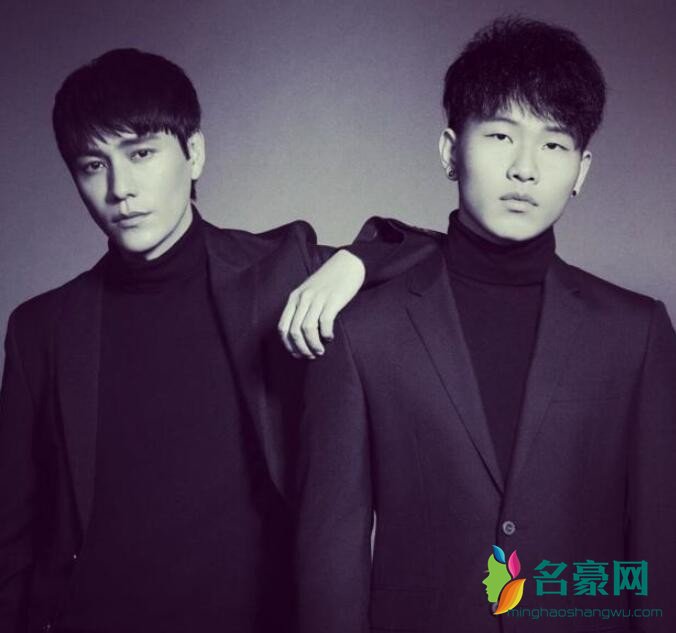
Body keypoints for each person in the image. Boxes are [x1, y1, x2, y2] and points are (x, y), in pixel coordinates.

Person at [0, 48, 431, 633]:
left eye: (141, 153)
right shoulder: (41, 330)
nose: (120, 188)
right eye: (93, 165)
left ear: (194, 153)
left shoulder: (277, 272)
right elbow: (12, 537)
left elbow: (430, 250)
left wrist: (354, 263)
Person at [293, 17, 676, 632]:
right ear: (451, 151)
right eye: (500, 136)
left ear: (581, 170)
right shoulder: (363, 336)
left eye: (554, 145)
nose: (525, 169)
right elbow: (331, 560)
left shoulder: (638, 333)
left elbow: (661, 548)